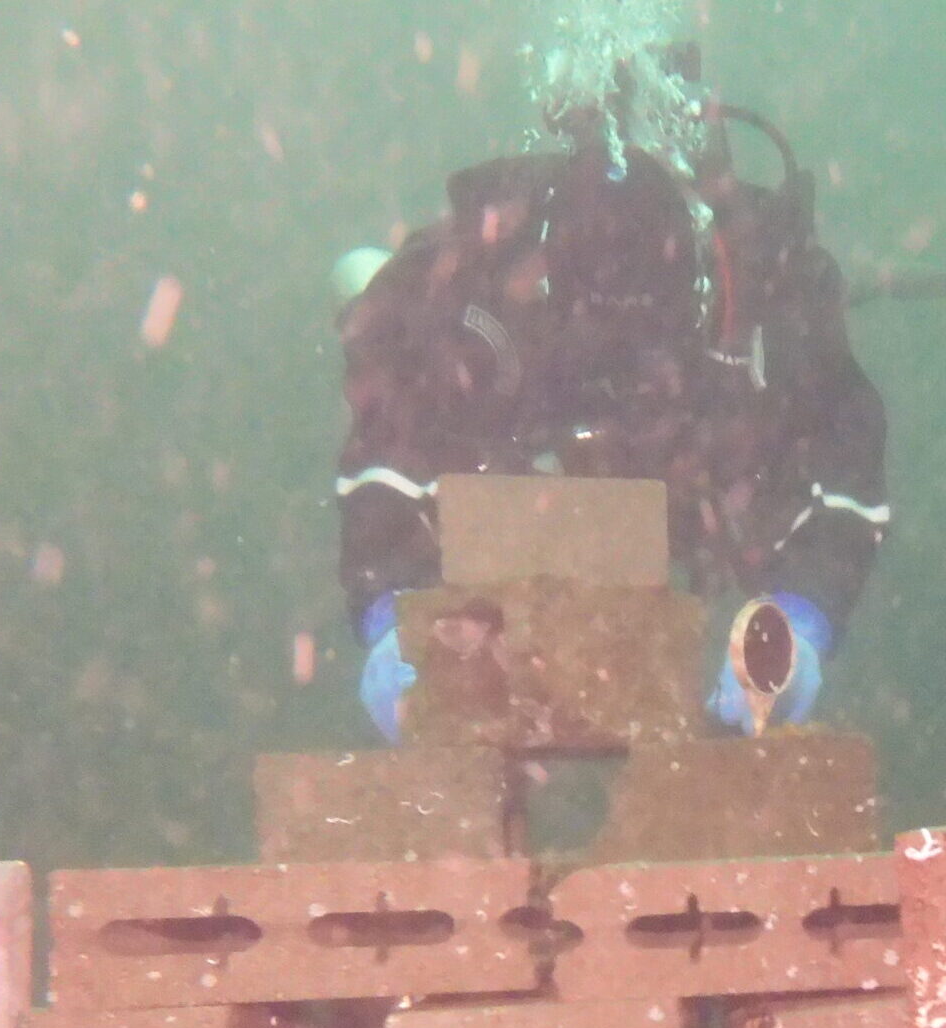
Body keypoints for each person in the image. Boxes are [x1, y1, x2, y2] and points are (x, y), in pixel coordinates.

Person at [329, 42, 889, 742]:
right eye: (598, 316)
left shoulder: (761, 284)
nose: (621, 365)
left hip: (694, 470)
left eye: (644, 319)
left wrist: (802, 620)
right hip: (519, 457)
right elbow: (386, 445)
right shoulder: (477, 287)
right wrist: (389, 618)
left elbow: (844, 457)